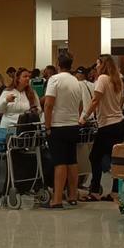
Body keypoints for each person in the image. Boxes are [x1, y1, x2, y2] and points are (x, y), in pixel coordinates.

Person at [43, 52, 86, 209]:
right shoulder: (76, 81)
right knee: (72, 161)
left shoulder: (54, 80)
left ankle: (57, 199)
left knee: (59, 163)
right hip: (73, 125)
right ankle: (73, 195)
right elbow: (81, 105)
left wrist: (47, 127)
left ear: (57, 64)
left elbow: (48, 105)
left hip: (58, 126)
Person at [81, 55, 124, 202]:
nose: (96, 67)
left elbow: (95, 100)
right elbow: (120, 102)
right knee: (116, 159)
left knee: (94, 157)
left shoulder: (102, 79)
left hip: (106, 125)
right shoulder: (117, 80)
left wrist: (84, 117)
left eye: (97, 64)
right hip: (119, 123)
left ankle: (94, 191)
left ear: (103, 65)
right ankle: (115, 191)